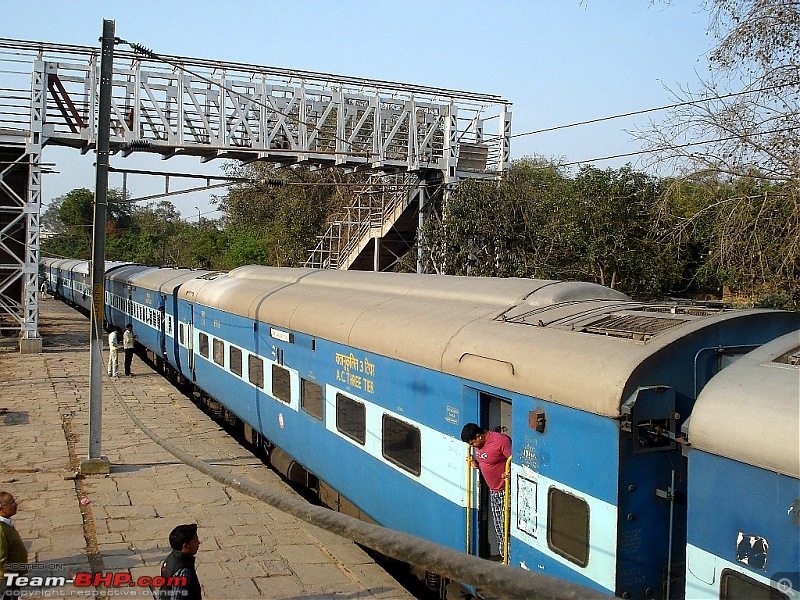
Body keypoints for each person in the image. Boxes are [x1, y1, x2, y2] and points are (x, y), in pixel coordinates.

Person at [461, 423, 512, 559]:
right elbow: (488, 462)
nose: (472, 447)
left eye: (472, 443)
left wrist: (510, 473)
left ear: (479, 436)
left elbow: (516, 462)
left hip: (506, 490)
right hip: (494, 491)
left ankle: (510, 560)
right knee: (499, 529)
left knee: (505, 528)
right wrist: (476, 465)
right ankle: (505, 558)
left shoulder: (501, 441)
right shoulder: (479, 445)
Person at [157, 523, 202, 600]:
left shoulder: (170, 558)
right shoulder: (183, 570)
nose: (198, 543)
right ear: (185, 546)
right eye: (195, 541)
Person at [0, 492, 28, 598]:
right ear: (1, 509)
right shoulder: (1, 530)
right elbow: (1, 557)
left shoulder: (6, 523)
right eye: (12, 504)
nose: (16, 505)